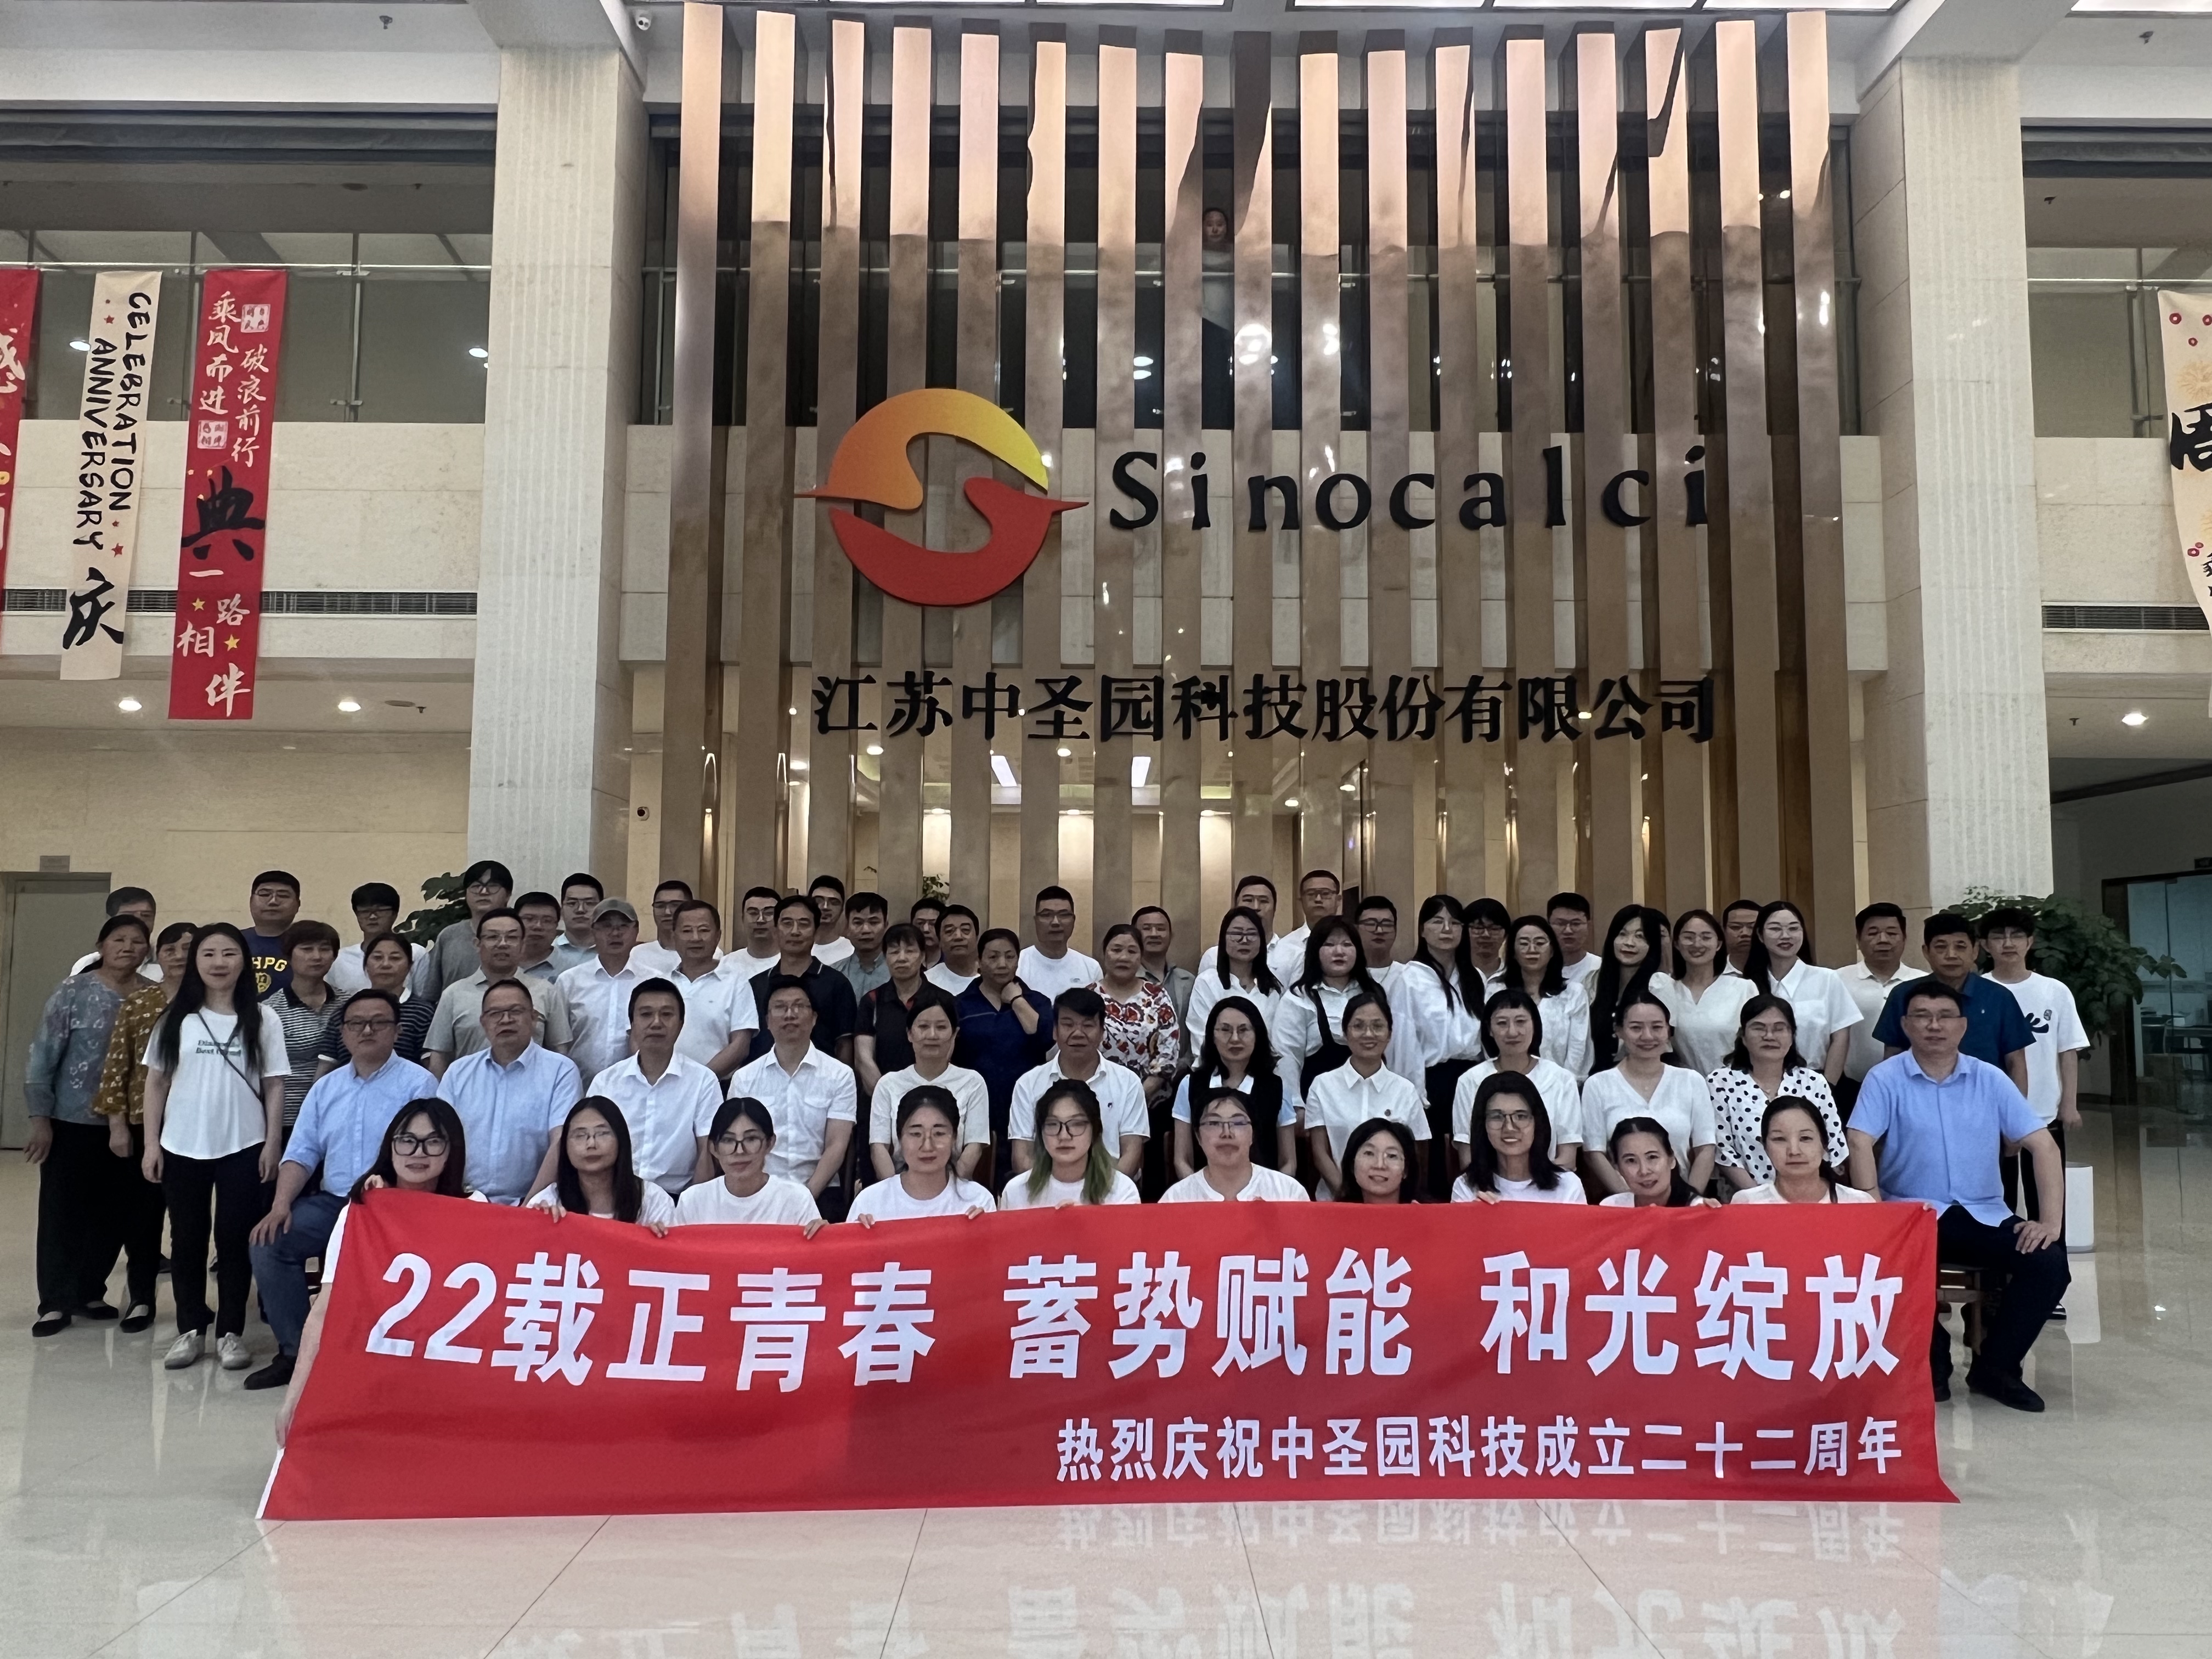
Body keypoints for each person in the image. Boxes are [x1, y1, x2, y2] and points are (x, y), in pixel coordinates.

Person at [1848, 979, 2068, 1410]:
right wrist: (1873, 1209)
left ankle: (1996, 1368)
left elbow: (2044, 1146)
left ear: (1963, 1026)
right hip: (1909, 1215)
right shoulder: (1885, 1078)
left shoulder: (1990, 1078)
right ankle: (1931, 1366)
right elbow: (1859, 1139)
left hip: (1984, 1213)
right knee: (1895, 1269)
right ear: (1906, 1025)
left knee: (2048, 1263)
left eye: (1945, 1016)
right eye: (1922, 1017)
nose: (1935, 1026)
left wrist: (2050, 1223)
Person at [243, 987, 438, 1390]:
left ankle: (380, 1355)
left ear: (397, 1030)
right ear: (343, 1032)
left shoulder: (419, 1084)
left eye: (378, 1022)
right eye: (356, 1023)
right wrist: (281, 1205)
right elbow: (302, 1153)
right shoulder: (326, 1087)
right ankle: (298, 1353)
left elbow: (430, 1155)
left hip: (394, 1209)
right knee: (269, 1241)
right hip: (334, 1204)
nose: (367, 1030)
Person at [274, 1098, 481, 1447]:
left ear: (451, 1151)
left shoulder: (476, 1208)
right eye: (407, 1140)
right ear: (391, 1146)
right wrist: (293, 1398)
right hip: (376, 1367)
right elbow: (325, 1309)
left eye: (433, 1142)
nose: (418, 1152)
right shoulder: (361, 1213)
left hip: (449, 1374)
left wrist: (547, 1221)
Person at [140, 923, 288, 1372]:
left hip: (244, 1145)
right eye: (208, 954)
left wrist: (273, 1143)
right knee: (186, 1239)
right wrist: (151, 1145)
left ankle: (230, 1333)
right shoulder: (175, 1018)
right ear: (195, 963)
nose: (219, 963)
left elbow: (275, 1085)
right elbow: (156, 1083)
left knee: (234, 1240)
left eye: (229, 953)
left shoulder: (263, 1018)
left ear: (244, 961)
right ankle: (189, 1329)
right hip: (182, 1144)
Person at [26, 914, 150, 1337]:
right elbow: (43, 1055)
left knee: (115, 1211)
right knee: (63, 1211)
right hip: (72, 1119)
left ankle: (88, 1291)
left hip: (133, 1122)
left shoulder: (151, 996)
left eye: (137, 941)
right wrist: (40, 1119)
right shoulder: (73, 991)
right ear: (101, 945)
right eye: (119, 939)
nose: (128, 947)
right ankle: (55, 1301)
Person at [89, 918, 188, 1334]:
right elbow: (117, 1066)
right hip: (141, 1123)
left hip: (194, 1129)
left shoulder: (213, 1005)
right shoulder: (139, 1002)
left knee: (188, 1222)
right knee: (142, 1218)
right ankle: (142, 1299)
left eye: (189, 949)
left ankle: (190, 1304)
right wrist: (117, 1125)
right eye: (170, 949)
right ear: (156, 956)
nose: (179, 956)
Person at [433, 978, 583, 1204]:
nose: (506, 1020)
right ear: (483, 1022)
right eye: (495, 1013)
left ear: (534, 1018)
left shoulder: (560, 1070)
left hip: (534, 1204)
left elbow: (560, 1142)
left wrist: (529, 1204)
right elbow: (438, 1137)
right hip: (463, 1201)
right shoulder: (458, 1072)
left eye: (515, 1011)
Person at [1982, 905, 2088, 1222]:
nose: (2008, 944)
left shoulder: (2054, 991)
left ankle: (2051, 1254)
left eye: (2017, 936)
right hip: (1990, 1116)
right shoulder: (1978, 992)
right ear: (1984, 945)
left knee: (2048, 1205)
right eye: (1998, 937)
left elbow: (2068, 1050)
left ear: (2030, 942)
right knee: (1998, 1203)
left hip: (2044, 1112)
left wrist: (2069, 1104)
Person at [726, 977, 859, 1212]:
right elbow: (738, 1143)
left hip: (820, 1191)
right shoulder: (744, 1078)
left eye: (799, 1006)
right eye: (780, 1007)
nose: (790, 1014)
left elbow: (837, 1145)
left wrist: (805, 1198)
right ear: (767, 1021)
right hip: (759, 1191)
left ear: (814, 1018)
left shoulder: (840, 1075)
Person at [584, 979, 722, 1196]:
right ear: (632, 1023)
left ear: (681, 1024)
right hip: (615, 1196)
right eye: (646, 1014)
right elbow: (589, 1145)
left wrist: (692, 1205)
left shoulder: (703, 1081)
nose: (656, 1023)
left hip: (676, 1198)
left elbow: (708, 1151)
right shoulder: (606, 1082)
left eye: (667, 1014)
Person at [1871, 912, 2034, 1094]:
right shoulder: (1903, 995)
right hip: (1919, 1100)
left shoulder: (1999, 997)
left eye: (1960, 947)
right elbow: (1892, 1056)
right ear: (1926, 952)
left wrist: (2018, 1109)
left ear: (1975, 951)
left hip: (1985, 1099)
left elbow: (2016, 1062)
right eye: (1941, 947)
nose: (1951, 955)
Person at [1579, 991, 1717, 1197]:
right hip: (1623, 1203)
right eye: (1636, 1028)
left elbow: (1705, 1148)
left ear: (1669, 1031)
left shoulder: (1691, 1081)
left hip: (1682, 1200)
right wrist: (1630, 1200)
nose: (1647, 1036)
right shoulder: (1598, 1084)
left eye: (1657, 1027)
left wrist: (1689, 1199)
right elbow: (1594, 1153)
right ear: (1619, 1031)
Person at [1707, 996, 1847, 1194]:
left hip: (1810, 1195)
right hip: (1746, 1199)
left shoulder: (1813, 1082)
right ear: (1743, 1036)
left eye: (1779, 1029)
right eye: (1759, 1028)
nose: (1769, 1036)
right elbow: (1723, 1150)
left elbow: (1833, 1143)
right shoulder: (1720, 1082)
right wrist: (1763, 1198)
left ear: (1792, 1036)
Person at [1396, 896, 1486, 1192]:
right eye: (1438, 922)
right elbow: (1404, 1042)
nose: (1447, 929)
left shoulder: (1474, 978)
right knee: (1436, 1168)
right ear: (1422, 930)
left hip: (1473, 1079)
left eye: (1455, 923)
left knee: (1475, 1158)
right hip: (1432, 1083)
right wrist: (1414, 1095)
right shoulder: (1410, 979)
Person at [1009, 989, 1150, 1177]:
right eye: (1068, 1025)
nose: (1078, 1033)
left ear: (1102, 1032)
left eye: (1088, 1025)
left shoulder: (1128, 1082)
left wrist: (1103, 1190)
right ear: (1055, 1031)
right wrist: (1056, 1189)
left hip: (1111, 1188)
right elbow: (1022, 1159)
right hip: (1045, 1188)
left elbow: (1131, 1155)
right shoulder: (1028, 1084)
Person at [1304, 993, 1428, 1199]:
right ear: (1345, 1032)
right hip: (1336, 1200)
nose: (1368, 1034)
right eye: (1359, 1026)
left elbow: (1417, 1153)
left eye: (1378, 1026)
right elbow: (1320, 1153)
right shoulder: (1323, 1085)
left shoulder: (1405, 1090)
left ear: (1389, 1034)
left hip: (1390, 1202)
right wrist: (1347, 1196)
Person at [1450, 988, 1583, 1175]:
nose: (1512, 1032)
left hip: (1548, 1182)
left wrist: (1529, 1184)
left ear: (1535, 1024)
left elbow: (1568, 1159)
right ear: (1489, 1029)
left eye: (1521, 1022)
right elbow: (1468, 1159)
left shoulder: (1561, 1080)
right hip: (1489, 1186)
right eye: (1502, 1023)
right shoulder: (1469, 1081)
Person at [424, 908, 573, 1075]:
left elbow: (560, 1051)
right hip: (471, 1087)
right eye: (493, 937)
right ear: (477, 944)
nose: (502, 944)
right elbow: (439, 1057)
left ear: (522, 944)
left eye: (512, 937)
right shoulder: (453, 994)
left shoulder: (546, 992)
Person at [1170, 995, 1297, 1178]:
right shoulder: (1190, 1085)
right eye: (1225, 1030)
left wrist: (1273, 1191)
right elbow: (1182, 1160)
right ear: (1212, 1036)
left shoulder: (1277, 1087)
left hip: (1263, 1192)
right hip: (1203, 1191)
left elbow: (1288, 1162)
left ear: (1258, 1035)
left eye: (1244, 1030)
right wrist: (1199, 1191)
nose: (1235, 1039)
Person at [1274, 915, 1389, 1111]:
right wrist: (1295, 1106)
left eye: (1347, 944)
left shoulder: (1374, 993)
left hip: (1373, 1100)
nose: (1339, 952)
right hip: (1317, 1103)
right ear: (1315, 951)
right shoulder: (1298, 998)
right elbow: (1287, 1057)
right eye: (1329, 944)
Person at [867, 991, 988, 1178]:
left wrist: (951, 1190)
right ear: (909, 1034)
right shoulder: (888, 1084)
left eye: (941, 1027)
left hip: (954, 1183)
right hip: (900, 1182)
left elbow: (975, 1147)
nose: (932, 1035)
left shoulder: (973, 1082)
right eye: (923, 1027)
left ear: (954, 1034)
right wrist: (895, 1190)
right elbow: (879, 1148)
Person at [953, 929, 1049, 1159]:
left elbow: (1043, 1037)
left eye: (1010, 956)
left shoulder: (1037, 1001)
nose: (1002, 964)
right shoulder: (960, 1005)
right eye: (993, 957)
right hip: (974, 1108)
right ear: (979, 961)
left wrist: (1017, 1000)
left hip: (1027, 1107)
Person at [1743, 900, 1860, 1085]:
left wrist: (1827, 1087)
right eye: (1775, 929)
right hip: (1758, 1082)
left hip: (1817, 1079)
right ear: (1760, 935)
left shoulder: (1827, 979)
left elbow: (1840, 1037)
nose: (1785, 936)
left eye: (1793, 928)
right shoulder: (1748, 984)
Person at [849, 1086, 996, 1223]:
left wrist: (983, 1228)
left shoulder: (978, 1199)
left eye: (939, 1133)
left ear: (955, 1138)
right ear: (899, 1138)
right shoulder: (870, 1202)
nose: (927, 1146)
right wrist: (859, 1234)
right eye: (916, 1134)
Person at [675, 1097, 828, 1228]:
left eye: (751, 1139)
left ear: (770, 1143)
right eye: (728, 1140)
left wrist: (825, 1237)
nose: (740, 1151)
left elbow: (814, 1253)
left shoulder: (797, 1200)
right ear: (713, 1148)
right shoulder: (692, 1201)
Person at [528, 1097, 675, 1230]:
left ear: (621, 1141)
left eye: (602, 1133)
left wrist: (657, 1238)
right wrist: (540, 1223)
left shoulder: (653, 1200)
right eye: (580, 1135)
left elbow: (670, 1250)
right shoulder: (548, 1202)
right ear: (565, 1146)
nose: (591, 1144)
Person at [745, 893, 858, 1062]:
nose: (795, 931)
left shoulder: (837, 983)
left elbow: (844, 1044)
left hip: (822, 1075)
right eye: (787, 923)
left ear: (816, 931)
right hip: (764, 1075)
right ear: (775, 930)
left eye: (804, 924)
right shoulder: (756, 985)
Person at [998, 1077, 1141, 1209]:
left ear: (1096, 1130)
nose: (1064, 1136)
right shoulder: (1016, 1191)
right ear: (1041, 1133)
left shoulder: (1122, 1190)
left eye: (1076, 1124)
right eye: (1053, 1124)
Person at [1452, 1073, 1586, 1206]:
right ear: (1483, 1125)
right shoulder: (1466, 1186)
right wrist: (1474, 1213)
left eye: (1521, 1116)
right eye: (1497, 1117)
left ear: (1537, 1123)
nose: (1509, 1128)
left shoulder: (1568, 1186)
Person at [1651, 907, 1755, 1077]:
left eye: (1706, 937)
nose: (1697, 944)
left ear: (1719, 944)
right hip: (1684, 1083)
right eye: (1689, 937)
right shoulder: (1665, 988)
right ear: (1676, 944)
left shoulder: (1744, 988)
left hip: (1735, 1083)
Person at [1161, 1085, 1310, 1203]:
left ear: (1253, 1134)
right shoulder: (1176, 1198)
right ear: (1198, 1136)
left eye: (1238, 1123)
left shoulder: (1288, 1192)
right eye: (1214, 1123)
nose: (1227, 1133)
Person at [317, 932, 431, 1074]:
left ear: (410, 966)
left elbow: (431, 1066)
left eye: (395, 958)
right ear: (366, 965)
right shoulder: (344, 1013)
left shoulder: (424, 1013)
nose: (385, 964)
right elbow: (326, 1066)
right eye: (377, 958)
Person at [1836, 901, 1912, 1114]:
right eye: (1873, 933)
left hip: (1909, 1086)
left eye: (1892, 933)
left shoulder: (1922, 982)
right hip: (1851, 1087)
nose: (1883, 940)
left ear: (1905, 938)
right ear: (1858, 940)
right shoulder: (1837, 980)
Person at [557, 897, 645, 1082]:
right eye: (606, 926)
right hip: (580, 1086)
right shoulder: (570, 981)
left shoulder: (653, 981)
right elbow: (560, 1044)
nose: (615, 933)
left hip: (636, 1086)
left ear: (636, 930)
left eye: (623, 926)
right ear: (593, 931)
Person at [1092, 923, 1180, 1108]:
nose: (1124, 957)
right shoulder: (1089, 997)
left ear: (1141, 957)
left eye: (1132, 951)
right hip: (1095, 1100)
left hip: (1151, 1103)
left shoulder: (1157, 997)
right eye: (1116, 950)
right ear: (1104, 953)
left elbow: (1169, 1048)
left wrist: (1139, 1095)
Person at [1732, 1097, 1875, 1206]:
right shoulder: (1747, 1203)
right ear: (1765, 1146)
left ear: (1824, 1144)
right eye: (1779, 1139)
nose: (1794, 1151)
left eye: (1805, 1138)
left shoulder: (1858, 1203)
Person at [666, 900, 753, 1076]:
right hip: (662, 1084)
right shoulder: (661, 983)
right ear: (674, 937)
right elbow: (638, 1038)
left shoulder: (737, 982)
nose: (695, 938)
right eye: (687, 931)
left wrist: (701, 1082)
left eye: (704, 930)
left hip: (716, 1085)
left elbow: (740, 1045)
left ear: (718, 936)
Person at [1183, 905, 1286, 1054]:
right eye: (1237, 934)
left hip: (1267, 1067)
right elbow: (1201, 1039)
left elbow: (1281, 1042)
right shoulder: (1207, 983)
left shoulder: (1274, 987)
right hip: (1217, 1067)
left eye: (1252, 934)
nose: (1244, 940)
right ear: (1223, 939)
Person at [411, 859, 513, 1005]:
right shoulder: (449, 936)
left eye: (492, 886)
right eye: (476, 886)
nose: (483, 892)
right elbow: (431, 995)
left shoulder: (519, 937)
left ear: (508, 895)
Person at [273, 919, 341, 1135]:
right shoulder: (270, 1011)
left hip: (340, 1115)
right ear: (288, 955)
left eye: (325, 949)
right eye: (307, 949)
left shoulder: (350, 1004)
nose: (317, 956)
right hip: (289, 1120)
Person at [1504, 915, 1592, 1079]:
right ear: (1513, 952)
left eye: (1540, 943)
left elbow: (1578, 1047)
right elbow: (1490, 1043)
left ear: (1552, 951)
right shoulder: (1497, 991)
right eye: (1524, 944)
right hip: (1508, 1082)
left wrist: (1565, 1083)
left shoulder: (1573, 993)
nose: (1532, 949)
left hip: (1560, 1084)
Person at [1585, 905, 1668, 1075]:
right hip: (1596, 1078)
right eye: (1623, 934)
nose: (1629, 943)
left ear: (1652, 944)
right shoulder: (1593, 980)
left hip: (1644, 1076)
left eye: (1640, 936)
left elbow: (1667, 1044)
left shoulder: (1659, 984)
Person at [854, 923, 934, 1094]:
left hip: (931, 1097)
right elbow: (864, 1058)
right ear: (885, 957)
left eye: (910, 951)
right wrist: (887, 1097)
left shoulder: (941, 1000)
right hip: (882, 1098)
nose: (902, 958)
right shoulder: (872, 1001)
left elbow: (947, 1055)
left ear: (923, 956)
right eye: (894, 952)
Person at [325, 883, 425, 996]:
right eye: (365, 911)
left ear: (395, 914)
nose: (372, 917)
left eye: (380, 910)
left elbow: (423, 995)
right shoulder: (340, 959)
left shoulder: (415, 952)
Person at [1598, 1118, 1719, 1209]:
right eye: (1631, 1160)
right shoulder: (1612, 1208)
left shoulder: (1697, 1209)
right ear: (1617, 1167)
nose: (1644, 1171)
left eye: (1652, 1157)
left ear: (1671, 1160)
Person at [1018, 885, 1102, 1003]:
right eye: (1047, 915)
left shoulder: (1091, 968)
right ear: (1036, 921)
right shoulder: (1018, 965)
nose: (1056, 922)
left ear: (1073, 920)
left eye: (1064, 915)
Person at [67, 887, 162, 982]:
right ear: (110, 920)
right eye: (128, 916)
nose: (139, 921)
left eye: (146, 915)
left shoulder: (166, 960)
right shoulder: (89, 963)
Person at [1132, 905, 1195, 1030]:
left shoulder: (1189, 981)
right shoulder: (1125, 980)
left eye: (1161, 929)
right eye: (1147, 929)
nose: (1154, 934)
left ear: (1171, 936)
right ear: (1133, 936)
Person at [240, 870, 302, 996]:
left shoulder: (310, 945)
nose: (273, 901)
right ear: (251, 901)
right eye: (264, 894)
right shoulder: (233, 941)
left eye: (283, 896)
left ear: (298, 905)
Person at [1276, 868, 1344, 980]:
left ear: (1338, 900)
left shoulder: (1353, 943)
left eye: (1325, 893)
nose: (1318, 899)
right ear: (1301, 900)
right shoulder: (1284, 947)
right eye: (1311, 894)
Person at [1339, 1118, 1420, 1205]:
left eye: (1392, 1156)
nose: (1380, 1165)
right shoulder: (1334, 1213)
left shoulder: (1425, 1213)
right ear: (1352, 1164)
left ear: (1406, 1170)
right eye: (1369, 1153)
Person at [630, 878, 698, 978]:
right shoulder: (638, 954)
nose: (667, 912)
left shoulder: (708, 953)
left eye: (675, 905)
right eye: (660, 906)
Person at [835, 890, 891, 998]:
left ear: (886, 926)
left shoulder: (900, 972)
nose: (866, 930)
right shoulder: (835, 973)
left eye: (874, 923)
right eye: (858, 923)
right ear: (847, 926)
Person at [550, 873, 605, 974]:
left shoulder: (618, 954)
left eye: (589, 903)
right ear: (561, 910)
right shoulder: (549, 953)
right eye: (572, 903)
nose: (581, 910)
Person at [1546, 891, 1598, 995]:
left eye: (1576, 924)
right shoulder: (1536, 969)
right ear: (1548, 926)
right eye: (1561, 923)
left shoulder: (1600, 969)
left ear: (1588, 926)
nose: (1568, 931)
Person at [927, 904, 984, 995]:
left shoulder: (992, 980)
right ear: (939, 940)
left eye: (965, 930)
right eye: (949, 931)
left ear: (977, 937)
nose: (958, 936)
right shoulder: (927, 982)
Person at [512, 891, 565, 981]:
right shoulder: (497, 960)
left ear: (556, 925)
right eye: (529, 919)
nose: (538, 926)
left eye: (547, 921)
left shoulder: (571, 968)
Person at [733, 886, 783, 975]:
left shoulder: (797, 965)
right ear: (743, 919)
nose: (761, 920)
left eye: (769, 913)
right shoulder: (727, 965)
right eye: (753, 913)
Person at [1462, 897, 1510, 989]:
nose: (1486, 935)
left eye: (1494, 929)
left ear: (1506, 935)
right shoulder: (1454, 974)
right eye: (1478, 928)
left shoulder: (1514, 976)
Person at [809, 874, 855, 967]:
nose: (825, 907)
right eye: (818, 901)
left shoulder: (851, 951)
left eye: (834, 903)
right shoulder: (794, 948)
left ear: (842, 909)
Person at [1720, 898, 1762, 976]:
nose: (1745, 933)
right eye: (1736, 927)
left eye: (1753, 927)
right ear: (1724, 931)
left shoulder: (1776, 972)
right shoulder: (1712, 973)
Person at [908, 897, 946, 968]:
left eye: (933, 924)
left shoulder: (953, 962)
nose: (926, 929)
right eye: (920, 923)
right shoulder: (903, 960)